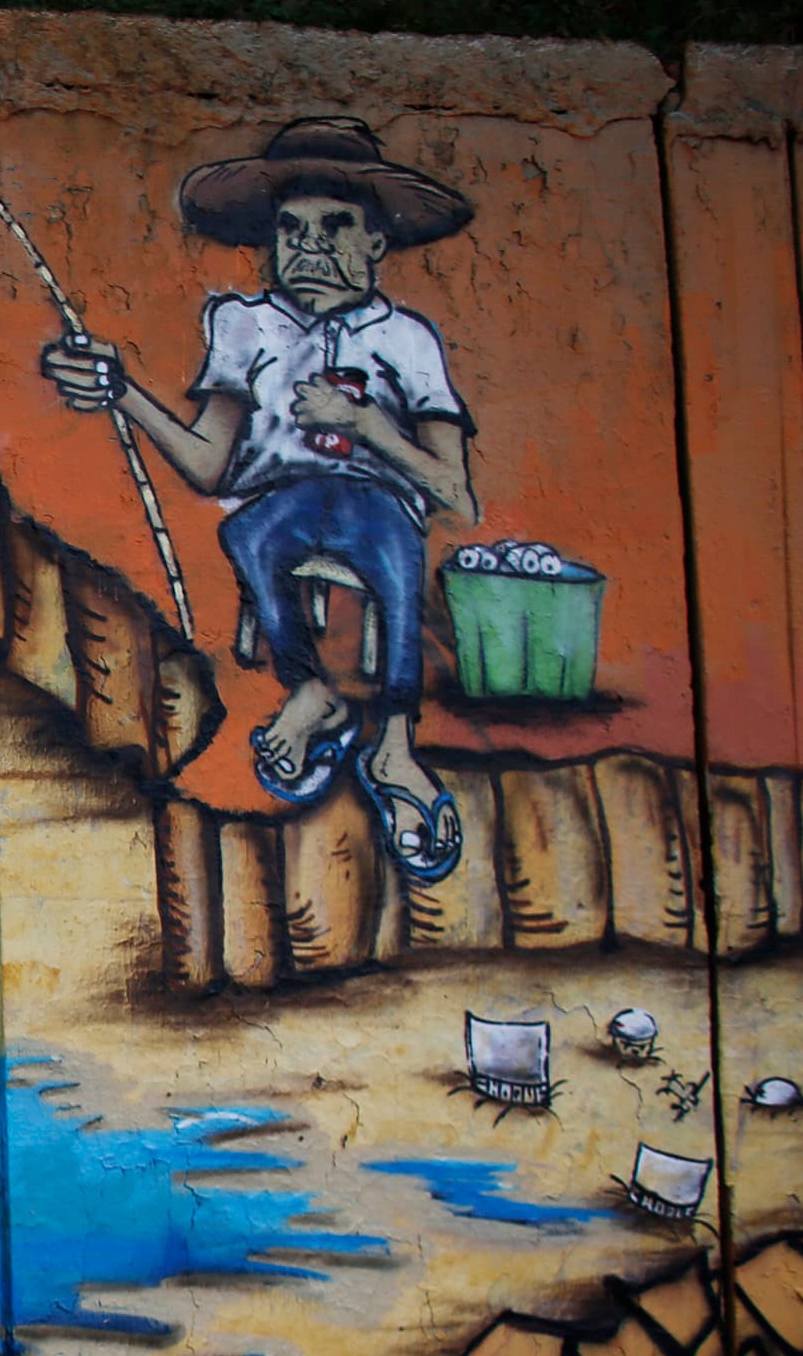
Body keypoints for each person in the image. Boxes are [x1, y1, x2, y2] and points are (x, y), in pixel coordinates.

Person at [40, 115, 480, 883]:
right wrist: (123, 393)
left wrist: (368, 426)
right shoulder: (243, 323)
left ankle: (396, 742)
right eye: (292, 229)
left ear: (377, 242)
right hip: (282, 501)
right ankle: (309, 689)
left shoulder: (408, 339)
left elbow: (455, 493)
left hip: (376, 502)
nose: (309, 248)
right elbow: (211, 467)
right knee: (249, 534)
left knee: (394, 552)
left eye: (335, 227)